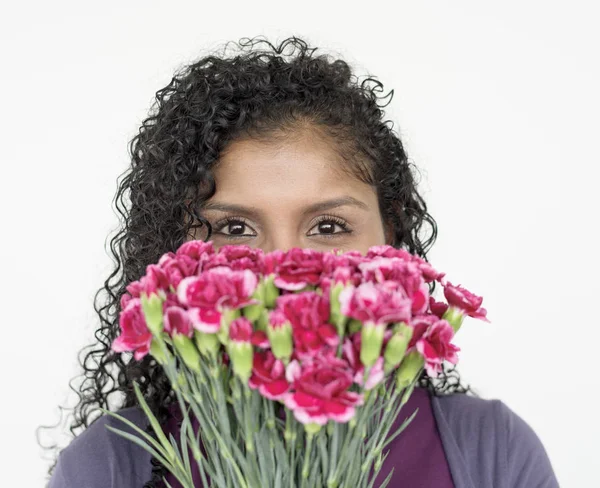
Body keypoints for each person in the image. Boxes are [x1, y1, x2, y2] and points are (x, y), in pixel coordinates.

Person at [42, 35, 559, 488]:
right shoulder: (108, 467)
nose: (283, 268)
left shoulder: (494, 453)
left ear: (392, 232)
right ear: (179, 253)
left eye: (328, 227)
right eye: (234, 228)